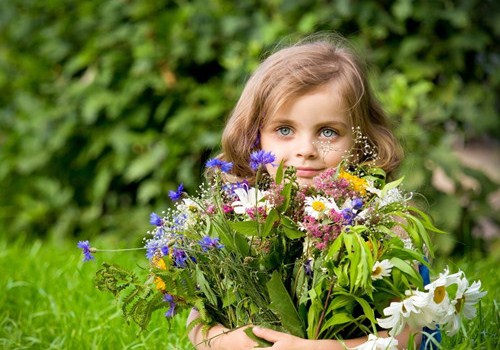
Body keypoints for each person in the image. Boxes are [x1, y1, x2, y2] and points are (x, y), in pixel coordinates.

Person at [187, 34, 437, 350]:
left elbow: (412, 335)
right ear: (255, 136)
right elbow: (197, 319)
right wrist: (223, 341)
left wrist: (320, 349)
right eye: (285, 130)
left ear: (360, 142)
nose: (306, 150)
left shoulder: (384, 222)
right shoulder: (238, 214)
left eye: (328, 132)